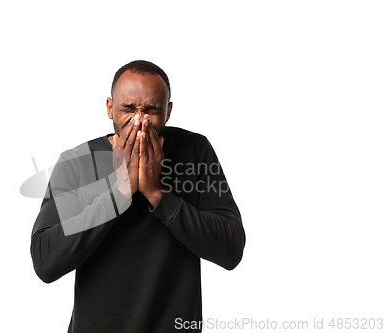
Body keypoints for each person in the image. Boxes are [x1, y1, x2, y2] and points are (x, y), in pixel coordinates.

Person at [30, 60, 246, 333]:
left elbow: (231, 250)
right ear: (110, 108)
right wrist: (119, 194)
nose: (140, 121)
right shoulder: (77, 162)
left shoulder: (195, 151)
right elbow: (45, 262)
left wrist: (157, 194)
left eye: (151, 110)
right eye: (128, 109)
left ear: (167, 111)